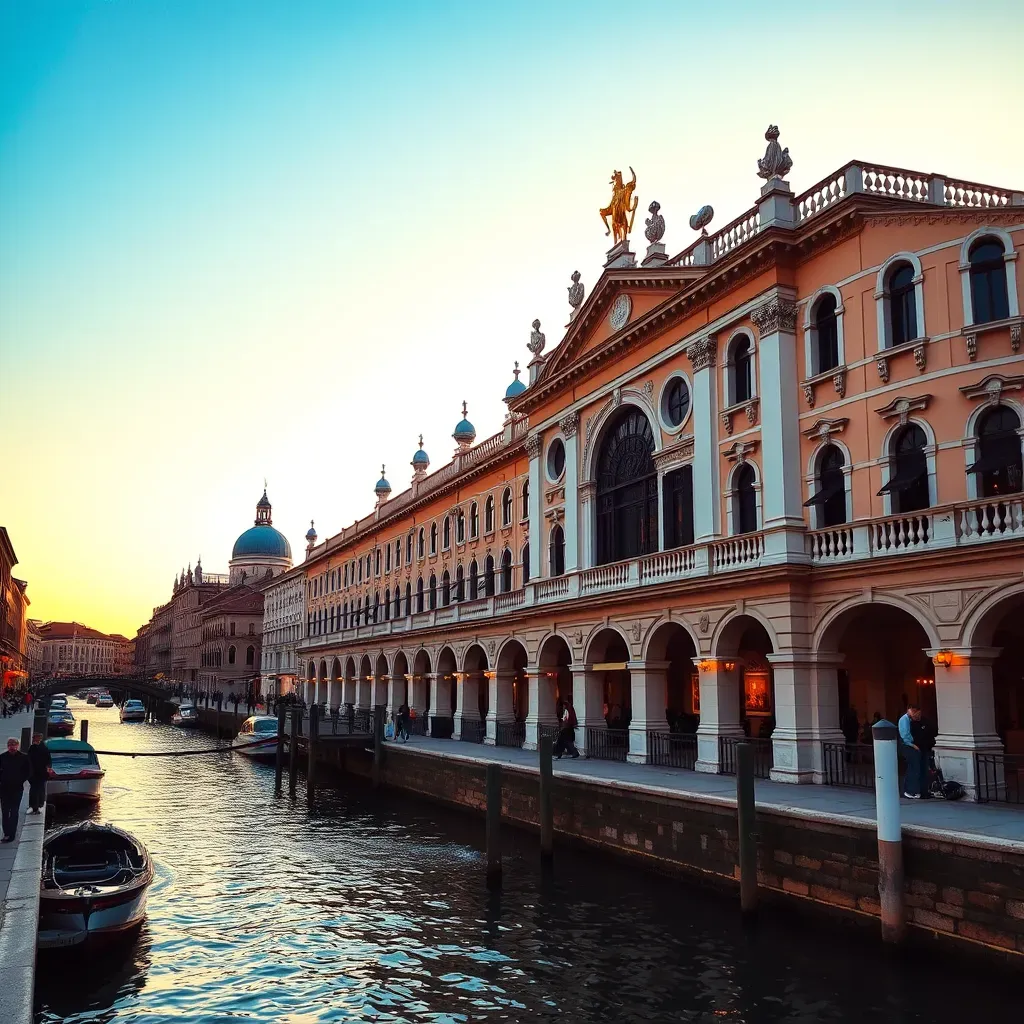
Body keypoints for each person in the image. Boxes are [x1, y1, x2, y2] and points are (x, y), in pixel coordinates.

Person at [0, 737, 31, 842]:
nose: (12, 747)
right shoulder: (2, 757)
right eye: (10, 745)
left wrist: (21, 779)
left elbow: (28, 771)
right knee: (4, 811)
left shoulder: (24, 757)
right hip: (4, 788)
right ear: (7, 746)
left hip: (17, 788)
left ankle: (12, 834)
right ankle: (6, 833)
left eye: (14, 745)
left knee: (14, 811)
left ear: (17, 746)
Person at [898, 702, 927, 799]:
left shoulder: (908, 720)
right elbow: (905, 735)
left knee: (914, 768)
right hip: (908, 746)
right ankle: (910, 790)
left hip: (910, 745)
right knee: (913, 768)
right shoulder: (904, 720)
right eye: (917, 713)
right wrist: (913, 745)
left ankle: (912, 790)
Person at [27, 733, 50, 813]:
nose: (34, 740)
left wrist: (47, 769)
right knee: (34, 789)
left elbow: (48, 760)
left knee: (39, 789)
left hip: (40, 772)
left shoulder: (43, 748)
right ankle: (34, 806)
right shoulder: (33, 748)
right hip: (34, 772)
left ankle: (38, 805)